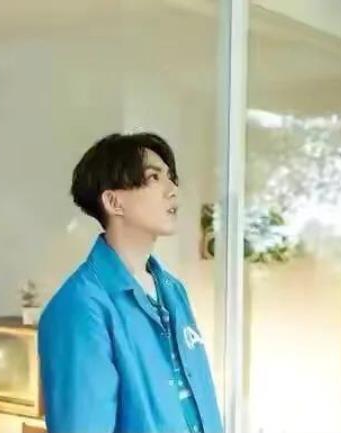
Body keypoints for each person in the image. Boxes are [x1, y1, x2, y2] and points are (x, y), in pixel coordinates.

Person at [38, 133, 223, 433]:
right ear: (114, 202)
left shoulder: (172, 290)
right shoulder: (79, 308)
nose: (172, 189)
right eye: (153, 178)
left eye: (171, 177)